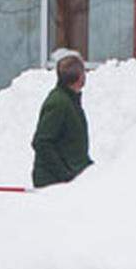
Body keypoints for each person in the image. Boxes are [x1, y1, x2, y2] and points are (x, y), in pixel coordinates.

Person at [31, 52, 92, 188]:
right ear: (79, 77)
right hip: (54, 184)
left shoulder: (69, 100)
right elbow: (42, 142)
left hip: (68, 178)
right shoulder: (59, 103)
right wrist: (65, 174)